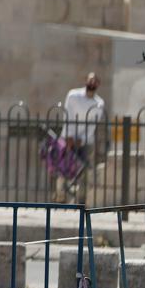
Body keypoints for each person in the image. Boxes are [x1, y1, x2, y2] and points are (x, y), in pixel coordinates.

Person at [57, 72, 106, 200]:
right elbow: (68, 115)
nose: (92, 83)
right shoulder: (73, 95)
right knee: (63, 168)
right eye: (90, 80)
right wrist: (69, 137)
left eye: (95, 81)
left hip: (85, 142)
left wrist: (82, 140)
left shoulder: (99, 103)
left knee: (83, 170)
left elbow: (92, 124)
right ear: (86, 81)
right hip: (69, 138)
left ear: (98, 84)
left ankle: (77, 199)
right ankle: (60, 195)